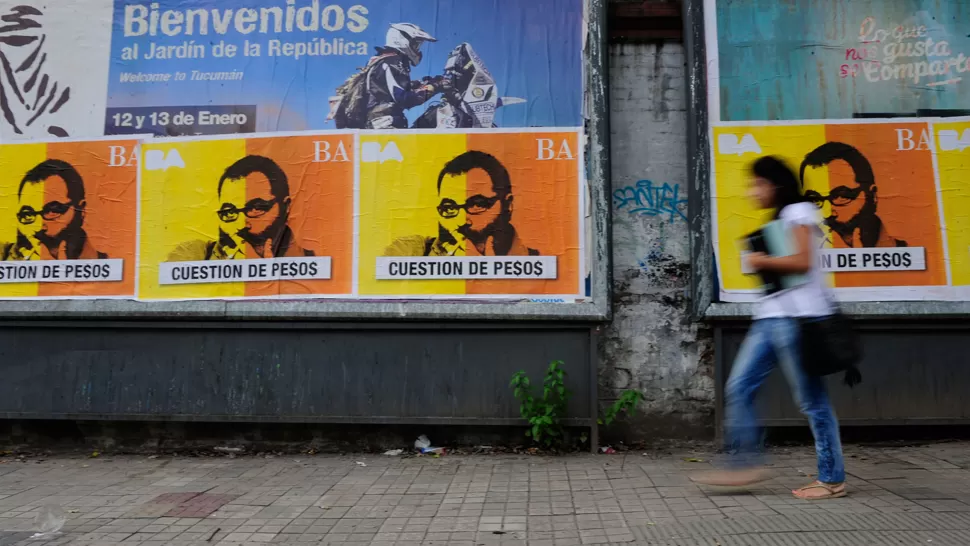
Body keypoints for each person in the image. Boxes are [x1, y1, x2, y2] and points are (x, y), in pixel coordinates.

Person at [692, 156, 846, 500]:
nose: (752, 190)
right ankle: (745, 463)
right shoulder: (778, 220)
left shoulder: (799, 213)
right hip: (770, 318)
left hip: (799, 320)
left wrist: (760, 260)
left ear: (773, 184)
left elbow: (803, 262)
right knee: (739, 388)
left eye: (757, 183)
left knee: (812, 401)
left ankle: (832, 478)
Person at [384, 150, 539, 257]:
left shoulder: (544, 265)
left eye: (477, 204)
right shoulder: (412, 252)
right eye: (449, 208)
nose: (461, 221)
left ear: (508, 205)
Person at [167, 155, 313, 261]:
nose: (241, 225)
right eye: (229, 212)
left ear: (286, 207)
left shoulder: (317, 264)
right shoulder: (194, 256)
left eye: (256, 208)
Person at [329, 23, 445, 129]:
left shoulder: (381, 60)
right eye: (416, 44)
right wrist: (435, 86)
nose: (417, 49)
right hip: (384, 128)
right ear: (402, 40)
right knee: (433, 116)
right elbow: (405, 99)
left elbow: (389, 91)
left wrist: (420, 83)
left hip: (380, 125)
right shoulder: (392, 62)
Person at [799, 142, 906, 248]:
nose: (827, 214)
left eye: (842, 196)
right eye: (815, 201)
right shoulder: (802, 258)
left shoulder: (914, 257)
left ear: (872, 195)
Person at [1, 159, 106, 260]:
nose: (38, 227)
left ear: (81, 210)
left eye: (53, 211)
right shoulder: (4, 258)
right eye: (28, 215)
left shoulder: (112, 267)